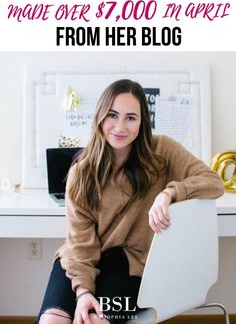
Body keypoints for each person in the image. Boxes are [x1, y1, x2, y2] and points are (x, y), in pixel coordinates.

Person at [36, 79, 224, 324]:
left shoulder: (162, 150)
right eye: (112, 115)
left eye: (130, 117)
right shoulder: (81, 173)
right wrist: (83, 292)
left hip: (130, 263)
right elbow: (80, 244)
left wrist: (169, 193)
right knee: (53, 321)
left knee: (94, 321)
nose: (120, 126)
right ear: (100, 117)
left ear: (142, 122)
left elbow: (213, 181)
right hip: (81, 258)